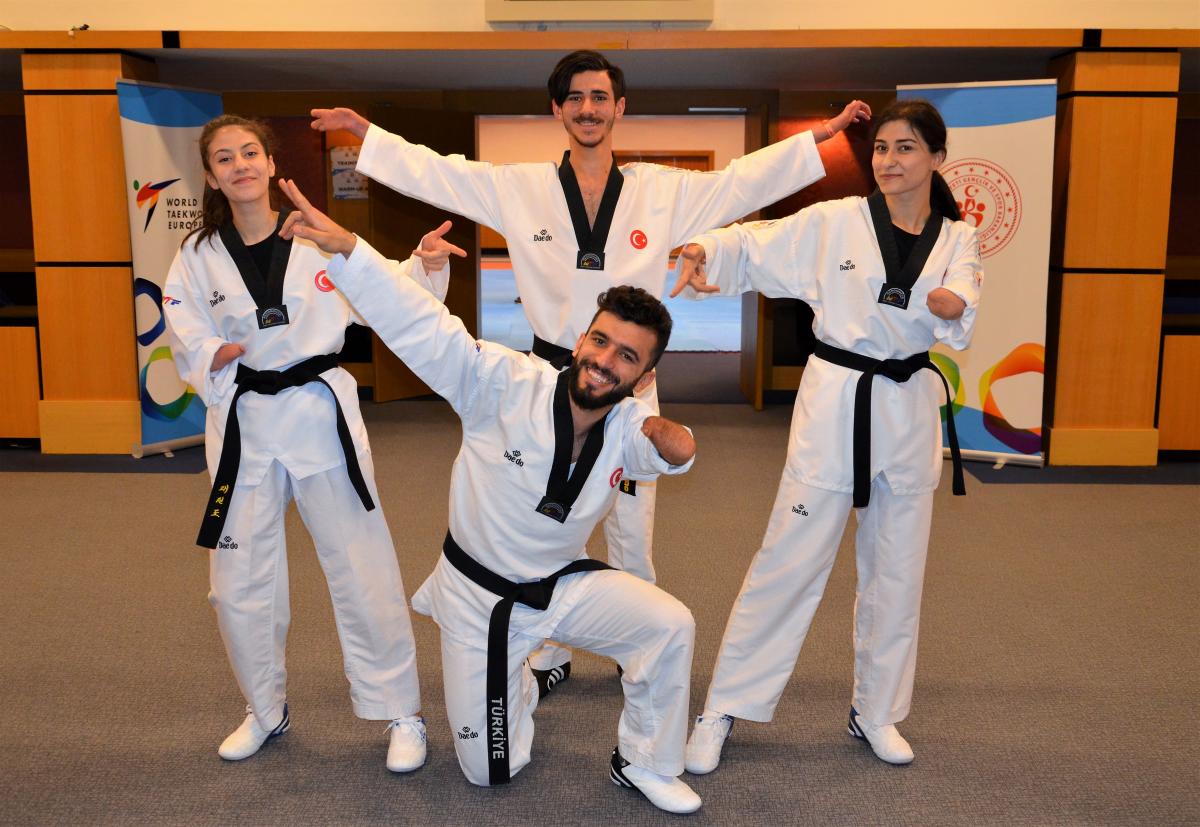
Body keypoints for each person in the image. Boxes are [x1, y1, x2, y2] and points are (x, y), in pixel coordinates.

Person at [310, 50, 870, 691]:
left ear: (619, 108)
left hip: (632, 394)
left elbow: (740, 183)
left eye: (599, 97)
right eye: (574, 98)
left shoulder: (663, 191)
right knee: (544, 527)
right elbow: (441, 175)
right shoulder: (519, 188)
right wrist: (367, 136)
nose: (588, 109)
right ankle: (546, 652)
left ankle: (638, 650)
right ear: (557, 109)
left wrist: (817, 142)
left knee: (633, 531)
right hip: (549, 386)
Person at [277, 177, 705, 814]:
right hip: (480, 600)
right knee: (489, 774)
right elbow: (422, 326)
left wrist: (667, 431)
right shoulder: (504, 383)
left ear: (645, 375)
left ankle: (644, 760)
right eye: (599, 341)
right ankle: (516, 687)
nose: (603, 361)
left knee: (670, 625)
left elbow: (675, 451)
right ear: (582, 338)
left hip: (560, 586)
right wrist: (350, 252)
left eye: (626, 357)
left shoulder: (626, 428)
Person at [671, 99, 983, 771]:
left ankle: (877, 710)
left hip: (904, 406)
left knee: (897, 569)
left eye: (905, 149)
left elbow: (965, 300)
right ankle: (723, 705)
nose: (889, 161)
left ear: (936, 157)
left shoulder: (958, 237)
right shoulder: (837, 222)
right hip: (837, 398)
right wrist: (708, 249)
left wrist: (954, 306)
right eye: (881, 149)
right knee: (789, 558)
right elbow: (758, 243)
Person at [163, 115, 463, 770]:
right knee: (236, 578)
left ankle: (400, 711)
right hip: (244, 420)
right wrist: (214, 352)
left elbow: (385, 286)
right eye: (224, 158)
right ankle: (264, 708)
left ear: (271, 164)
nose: (240, 164)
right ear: (211, 176)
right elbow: (180, 318)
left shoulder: (316, 234)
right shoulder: (195, 254)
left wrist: (424, 265)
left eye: (250, 152)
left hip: (319, 414)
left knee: (361, 562)